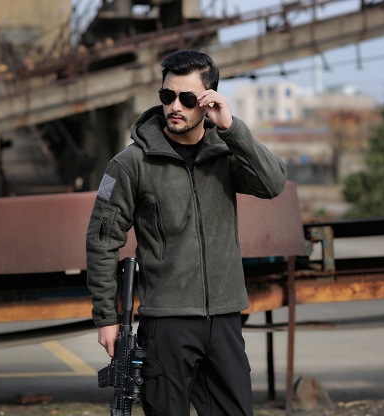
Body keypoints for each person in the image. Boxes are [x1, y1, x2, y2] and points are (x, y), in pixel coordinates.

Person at [86, 49, 287, 416]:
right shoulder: (130, 164)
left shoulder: (226, 153)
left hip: (224, 319)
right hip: (166, 324)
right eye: (168, 96)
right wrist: (107, 317)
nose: (175, 106)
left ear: (208, 100)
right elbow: (102, 241)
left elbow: (273, 183)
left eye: (187, 98)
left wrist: (231, 127)